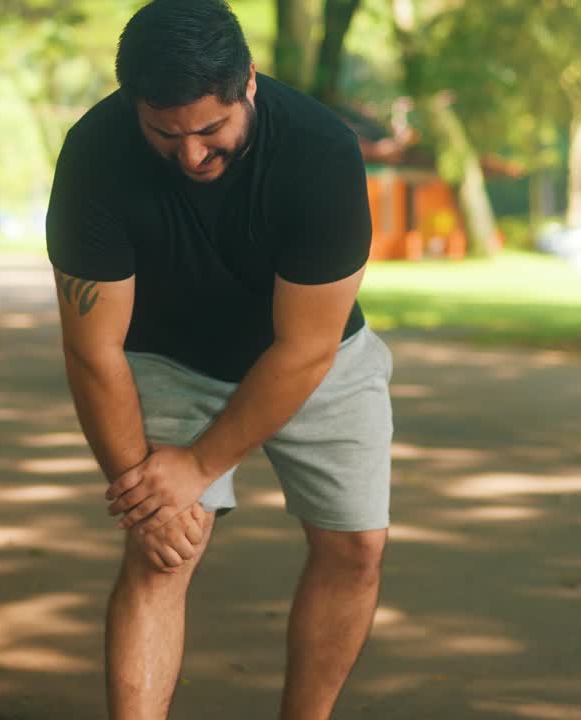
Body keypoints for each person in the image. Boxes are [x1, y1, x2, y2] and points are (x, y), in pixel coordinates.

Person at [45, 1, 393, 718]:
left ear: (250, 85)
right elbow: (92, 350)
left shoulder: (321, 151)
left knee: (356, 546)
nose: (192, 155)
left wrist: (200, 465)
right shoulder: (94, 155)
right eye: (165, 134)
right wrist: (147, 498)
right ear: (133, 103)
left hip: (315, 357)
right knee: (160, 550)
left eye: (211, 130)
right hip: (169, 355)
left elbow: (305, 349)